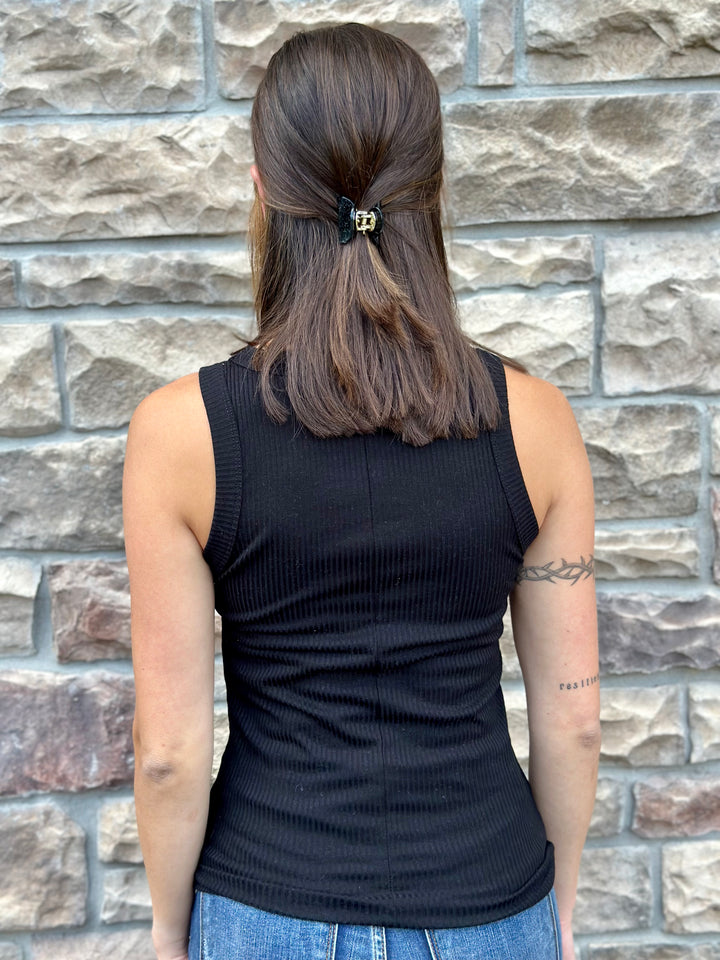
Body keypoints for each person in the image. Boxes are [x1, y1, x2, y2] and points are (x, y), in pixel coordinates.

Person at [123, 23, 600, 960]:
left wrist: (171, 933)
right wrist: (562, 917)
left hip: (267, 908)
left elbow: (168, 754)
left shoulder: (180, 435)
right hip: (492, 904)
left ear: (262, 190)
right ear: (432, 192)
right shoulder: (538, 423)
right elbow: (575, 721)